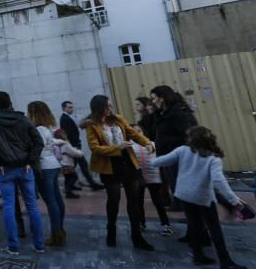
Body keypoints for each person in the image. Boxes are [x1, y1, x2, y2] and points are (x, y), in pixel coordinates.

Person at [151, 126, 247, 269]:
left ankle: (198, 256)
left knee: (194, 225)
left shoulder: (182, 150)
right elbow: (219, 180)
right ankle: (225, 260)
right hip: (203, 197)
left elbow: (158, 162)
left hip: (184, 194)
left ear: (191, 139)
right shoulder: (213, 158)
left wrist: (147, 156)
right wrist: (233, 199)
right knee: (214, 228)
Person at [84, 95, 155, 251]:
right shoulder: (92, 126)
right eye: (107, 106)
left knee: (134, 201)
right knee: (114, 199)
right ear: (99, 108)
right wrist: (118, 147)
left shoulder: (118, 119)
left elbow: (134, 134)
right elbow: (95, 148)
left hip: (128, 163)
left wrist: (147, 143)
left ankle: (137, 237)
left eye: (111, 105)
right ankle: (111, 230)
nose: (110, 109)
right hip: (109, 166)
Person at [0, 91, 45, 255]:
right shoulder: (23, 119)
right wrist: (30, 160)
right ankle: (39, 244)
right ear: (10, 102)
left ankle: (13, 245)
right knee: (32, 205)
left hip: (5, 168)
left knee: (8, 206)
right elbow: (38, 141)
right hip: (24, 167)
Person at [28, 101, 67, 247]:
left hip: (45, 166)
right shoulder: (48, 128)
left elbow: (38, 149)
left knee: (51, 201)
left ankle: (56, 233)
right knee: (56, 199)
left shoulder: (38, 129)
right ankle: (60, 229)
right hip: (54, 164)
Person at [150, 85, 197, 204]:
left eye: (154, 98)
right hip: (167, 153)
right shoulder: (162, 113)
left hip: (177, 153)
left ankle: (184, 205)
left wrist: (165, 141)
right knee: (172, 180)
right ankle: (179, 202)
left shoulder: (178, 113)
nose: (153, 102)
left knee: (179, 180)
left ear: (163, 98)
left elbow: (186, 134)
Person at [132, 123, 172, 237]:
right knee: (139, 202)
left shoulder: (152, 144)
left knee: (158, 201)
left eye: (139, 130)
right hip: (138, 178)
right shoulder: (129, 147)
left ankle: (165, 224)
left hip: (153, 178)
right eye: (134, 131)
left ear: (143, 132)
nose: (137, 133)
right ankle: (141, 223)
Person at [59, 101, 102, 195]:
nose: (71, 109)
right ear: (64, 108)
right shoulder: (65, 118)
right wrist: (74, 145)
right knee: (82, 165)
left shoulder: (67, 117)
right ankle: (91, 184)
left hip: (74, 145)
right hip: (74, 146)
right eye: (69, 107)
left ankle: (70, 186)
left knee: (73, 166)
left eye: (72, 107)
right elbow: (69, 133)